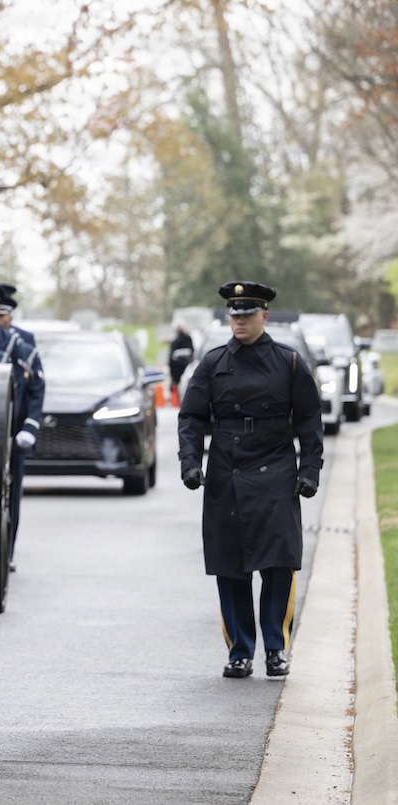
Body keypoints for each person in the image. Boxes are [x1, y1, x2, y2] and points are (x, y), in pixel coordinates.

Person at [177, 280, 323, 679]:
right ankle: (239, 650)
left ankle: (276, 648)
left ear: (264, 316)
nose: (239, 321)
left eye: (246, 314)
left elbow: (310, 420)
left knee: (278, 564)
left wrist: (310, 469)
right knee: (231, 566)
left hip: (276, 470)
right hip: (227, 472)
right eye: (233, 314)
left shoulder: (289, 362)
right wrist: (190, 461)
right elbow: (190, 417)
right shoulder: (213, 362)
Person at [0, 286, 44, 569]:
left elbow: (35, 387)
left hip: (12, 429)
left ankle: (6, 550)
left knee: (9, 493)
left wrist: (29, 427)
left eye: (2, 314)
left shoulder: (23, 341)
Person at [168, 323, 194, 406]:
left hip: (186, 368)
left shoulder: (187, 339)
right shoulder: (175, 340)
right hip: (177, 369)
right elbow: (171, 358)